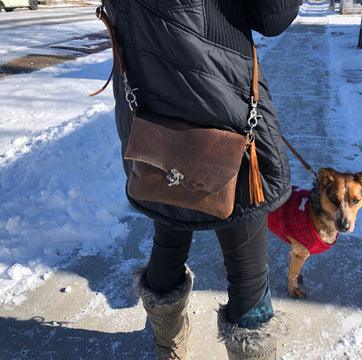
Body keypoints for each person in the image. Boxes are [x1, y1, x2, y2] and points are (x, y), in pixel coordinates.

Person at [101, 0, 300, 359]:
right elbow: (274, 16)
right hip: (221, 107)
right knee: (247, 269)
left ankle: (169, 347)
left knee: (169, 237)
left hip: (150, 116)